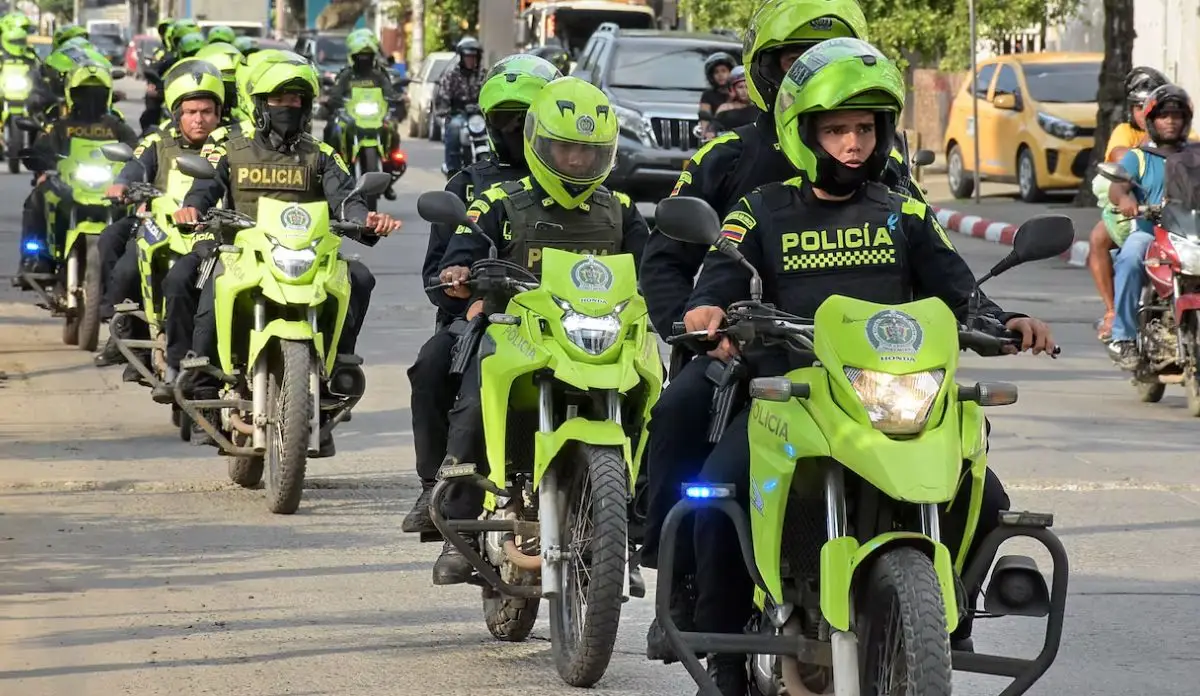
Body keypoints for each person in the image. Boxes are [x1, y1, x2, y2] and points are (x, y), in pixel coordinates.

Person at [677, 39, 1054, 695]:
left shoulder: (903, 212)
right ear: (806, 133)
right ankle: (727, 656)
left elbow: (958, 291)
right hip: (791, 395)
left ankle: (944, 621)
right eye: (836, 128)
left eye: (864, 128)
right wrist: (709, 312)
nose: (852, 142)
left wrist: (1004, 321)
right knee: (716, 494)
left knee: (986, 494)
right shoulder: (759, 211)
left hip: (896, 396)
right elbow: (715, 281)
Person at [429, 76, 650, 584]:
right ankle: (458, 522)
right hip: (518, 331)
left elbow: (655, 269)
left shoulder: (620, 210)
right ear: (537, 144)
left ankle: (630, 535)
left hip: (601, 336)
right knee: (474, 379)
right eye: (565, 150)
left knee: (652, 394)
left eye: (588, 153)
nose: (575, 163)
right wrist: (461, 273)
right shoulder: (501, 203)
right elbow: (463, 247)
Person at [171, 56, 401, 453]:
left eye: (295, 100)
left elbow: (347, 199)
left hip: (305, 253)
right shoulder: (230, 150)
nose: (287, 108)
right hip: (243, 251)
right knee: (209, 279)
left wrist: (367, 219)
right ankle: (205, 376)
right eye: (278, 99)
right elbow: (203, 192)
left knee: (360, 278)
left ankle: (337, 367)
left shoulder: (322, 154)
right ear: (260, 104)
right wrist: (193, 210)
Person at [401, 53, 561, 534]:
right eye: (504, 120)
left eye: (525, 119)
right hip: (482, 320)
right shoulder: (469, 184)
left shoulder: (588, 185)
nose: (514, 129)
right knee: (431, 365)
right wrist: (461, 290)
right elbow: (438, 269)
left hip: (570, 323)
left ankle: (628, 499)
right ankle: (438, 487)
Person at [93, 60, 229, 379]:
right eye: (191, 112)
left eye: (207, 111)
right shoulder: (158, 141)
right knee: (122, 259)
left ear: (219, 112)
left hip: (210, 228)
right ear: (176, 112)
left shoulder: (229, 144)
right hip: (159, 222)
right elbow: (136, 165)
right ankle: (128, 336)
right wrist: (124, 184)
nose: (199, 119)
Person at [18, 63, 137, 277]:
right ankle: (35, 256)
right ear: (71, 94)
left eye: (96, 94)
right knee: (37, 196)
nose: (90, 98)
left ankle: (131, 262)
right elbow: (42, 149)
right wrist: (38, 161)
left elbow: (137, 151)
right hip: (69, 184)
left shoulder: (117, 126)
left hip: (108, 186)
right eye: (83, 93)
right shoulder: (61, 126)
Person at [1106, 84, 1193, 369]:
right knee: (1130, 257)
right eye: (1164, 115)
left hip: (1191, 236)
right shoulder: (1139, 157)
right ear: (1152, 121)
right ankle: (1122, 337)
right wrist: (1127, 200)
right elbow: (1117, 187)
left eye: (1177, 115)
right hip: (1150, 235)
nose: (1170, 121)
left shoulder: (1196, 156)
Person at [1089, 66, 1168, 341]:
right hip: (1141, 216)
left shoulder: (1185, 144)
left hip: (1178, 220)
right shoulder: (1128, 136)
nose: (1168, 120)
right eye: (1139, 107)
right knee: (1107, 242)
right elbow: (1121, 161)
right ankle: (1115, 316)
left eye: (1173, 114)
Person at [320, 29, 401, 167]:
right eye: (360, 56)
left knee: (392, 128)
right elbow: (336, 93)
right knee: (331, 128)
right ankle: (329, 165)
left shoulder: (379, 75)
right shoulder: (346, 75)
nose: (364, 59)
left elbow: (389, 93)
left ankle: (391, 162)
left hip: (376, 117)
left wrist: (398, 98)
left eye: (367, 55)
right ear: (353, 56)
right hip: (351, 117)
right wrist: (331, 101)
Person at [436, 36, 484, 176]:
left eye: (474, 57)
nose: (471, 60)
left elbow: (493, 92)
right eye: (468, 57)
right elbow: (442, 98)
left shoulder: (484, 75)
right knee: (454, 127)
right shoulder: (451, 76)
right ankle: (452, 169)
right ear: (462, 58)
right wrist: (448, 110)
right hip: (459, 114)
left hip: (480, 116)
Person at [704, 66, 755, 139]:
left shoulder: (760, 108)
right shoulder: (725, 108)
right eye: (740, 87)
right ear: (732, 89)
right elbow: (714, 126)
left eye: (747, 87)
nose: (744, 91)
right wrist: (711, 133)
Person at [699, 51, 736, 120]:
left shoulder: (739, 92)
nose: (720, 75)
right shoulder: (708, 95)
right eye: (716, 72)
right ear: (711, 76)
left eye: (724, 71)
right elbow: (704, 118)